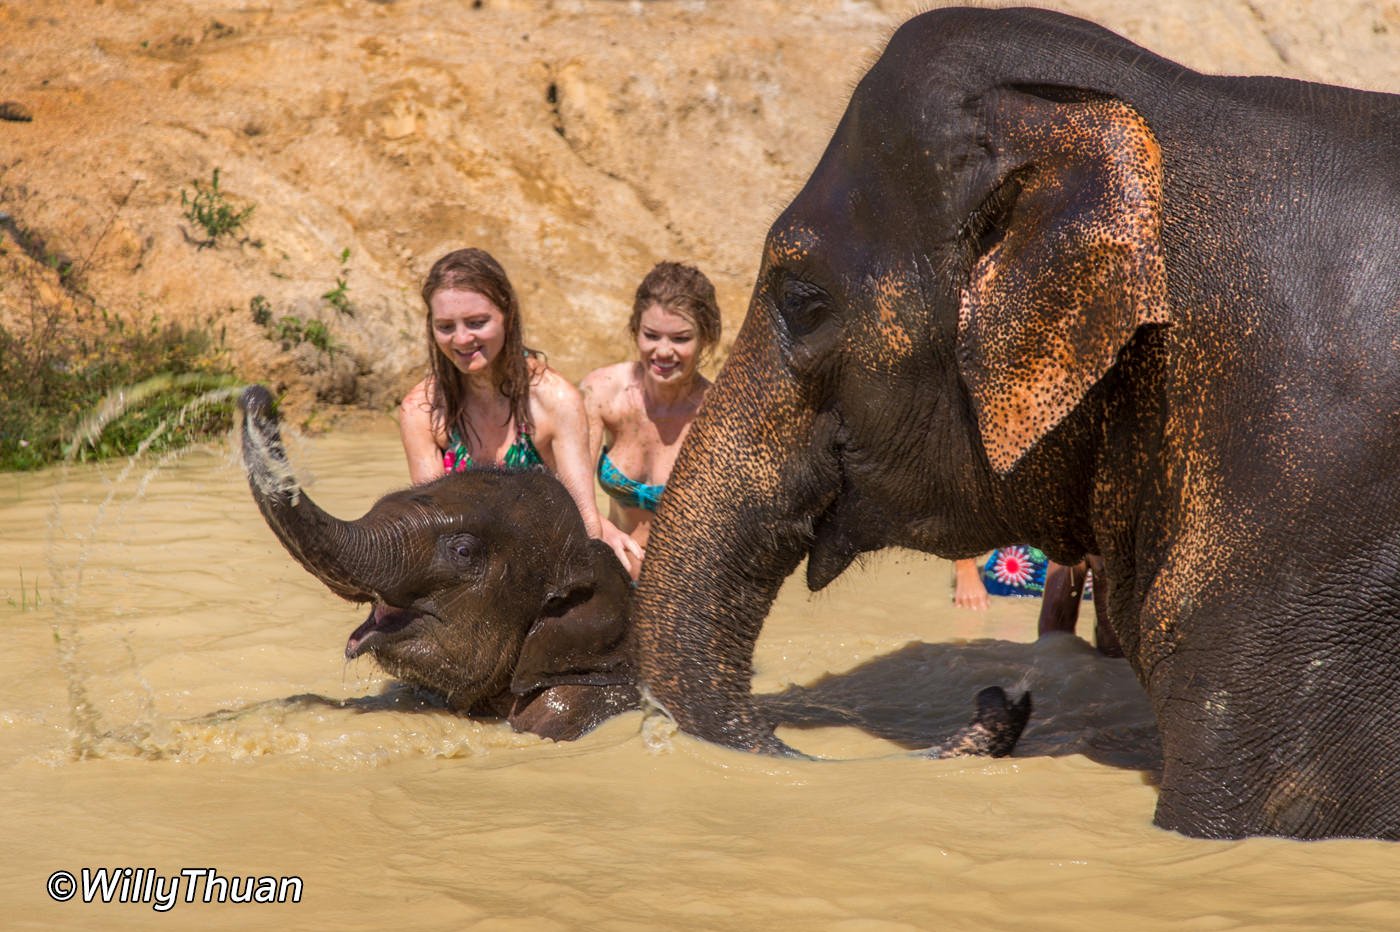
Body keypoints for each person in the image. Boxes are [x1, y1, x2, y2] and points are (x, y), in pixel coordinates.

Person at [397, 247, 639, 568]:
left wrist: (600, 538)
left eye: (477, 322)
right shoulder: (422, 410)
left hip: (545, 561)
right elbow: (431, 527)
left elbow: (583, 521)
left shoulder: (555, 400)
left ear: (507, 315)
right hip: (466, 573)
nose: (461, 339)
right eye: (445, 327)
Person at [580, 261, 722, 579]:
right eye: (651, 335)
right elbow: (574, 493)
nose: (663, 351)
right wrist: (607, 532)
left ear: (706, 339)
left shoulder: (716, 414)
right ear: (636, 332)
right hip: (611, 578)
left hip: (686, 588)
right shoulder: (602, 393)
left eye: (681, 339)